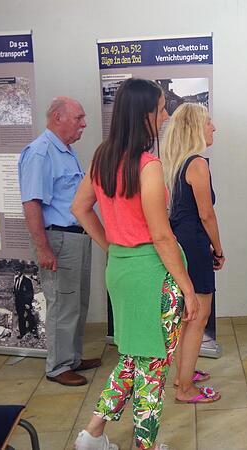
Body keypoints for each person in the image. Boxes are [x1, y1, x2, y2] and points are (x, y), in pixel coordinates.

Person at [71, 78, 200, 450]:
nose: (165, 116)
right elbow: (161, 236)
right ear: (143, 114)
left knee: (136, 358)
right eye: (160, 109)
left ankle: (92, 434)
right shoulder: (148, 166)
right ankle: (144, 446)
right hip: (154, 278)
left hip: (122, 273)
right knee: (154, 368)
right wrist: (188, 288)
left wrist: (112, 245)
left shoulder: (101, 158)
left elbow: (79, 208)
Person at [18, 96, 98, 387]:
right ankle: (58, 367)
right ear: (57, 118)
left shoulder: (66, 150)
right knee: (62, 303)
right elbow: (31, 203)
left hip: (76, 236)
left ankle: (72, 358)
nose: (84, 123)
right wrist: (42, 247)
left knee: (77, 301)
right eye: (79, 118)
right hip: (58, 238)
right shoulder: (40, 153)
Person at [162, 102, 224, 404]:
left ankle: (182, 374)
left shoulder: (175, 162)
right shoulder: (197, 163)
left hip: (179, 245)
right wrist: (219, 249)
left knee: (188, 316)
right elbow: (207, 215)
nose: (214, 128)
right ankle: (185, 388)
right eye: (209, 122)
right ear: (196, 128)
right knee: (199, 315)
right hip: (195, 246)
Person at [13, 268, 36, 339]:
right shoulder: (16, 279)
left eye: (18, 270)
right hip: (18, 303)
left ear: (21, 271)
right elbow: (16, 291)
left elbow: (30, 293)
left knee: (29, 316)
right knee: (21, 317)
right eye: (16, 270)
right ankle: (22, 333)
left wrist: (28, 303)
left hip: (25, 303)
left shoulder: (27, 281)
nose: (17, 272)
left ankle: (33, 331)